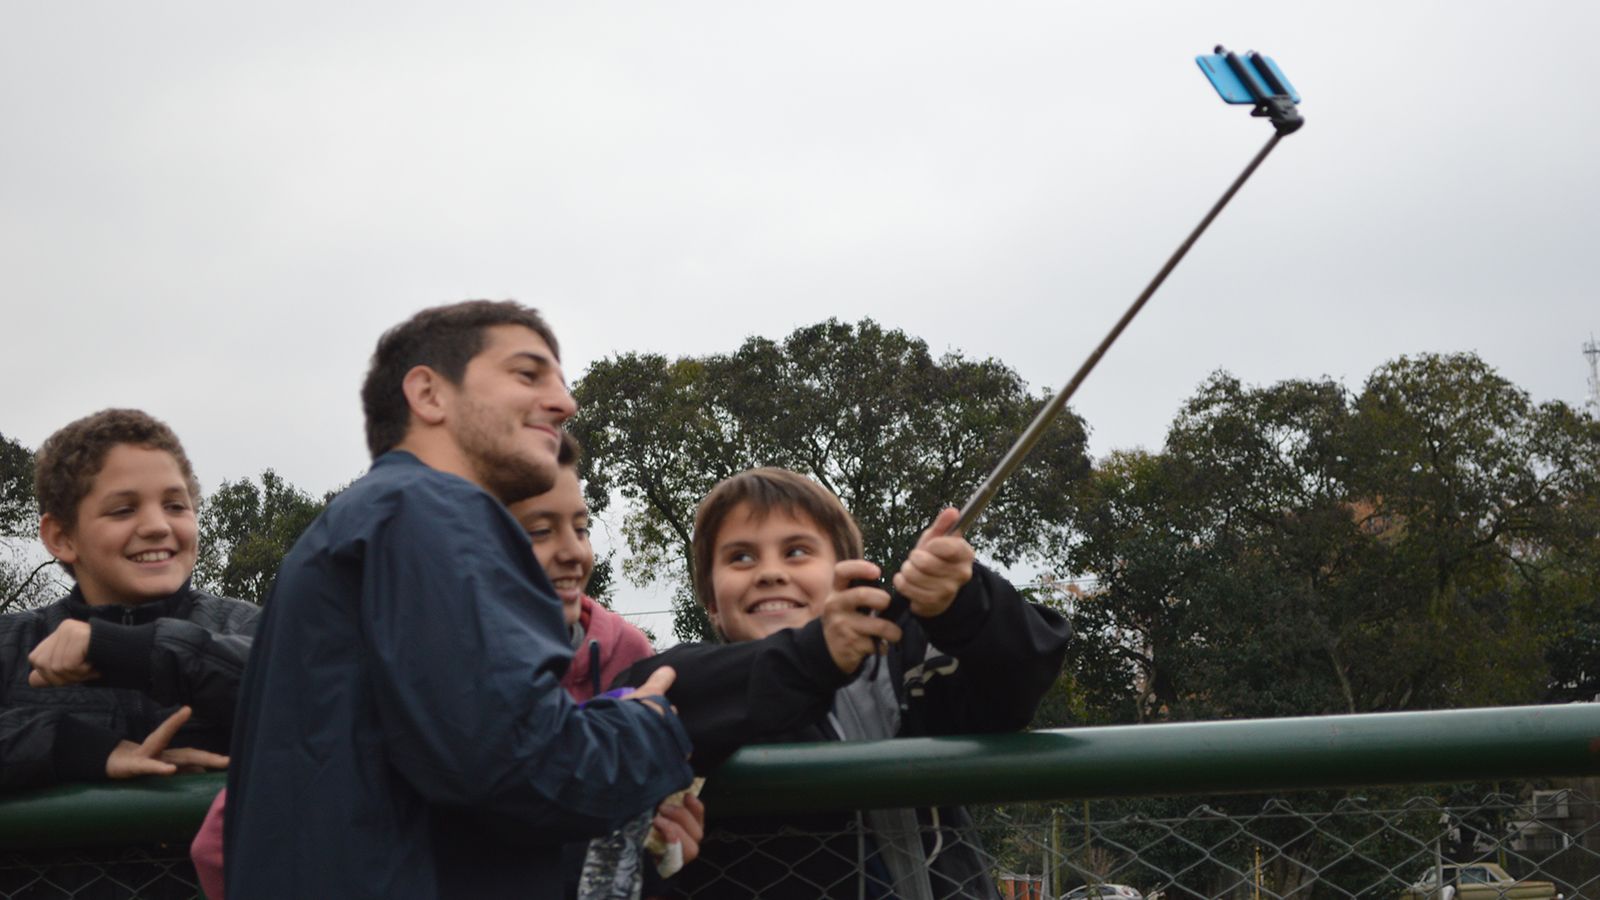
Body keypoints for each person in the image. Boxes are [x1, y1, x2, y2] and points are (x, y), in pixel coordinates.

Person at [224, 300, 694, 899]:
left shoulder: (362, 524)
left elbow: (447, 762)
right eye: (528, 374)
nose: (564, 402)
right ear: (429, 394)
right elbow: (521, 767)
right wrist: (649, 726)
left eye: (561, 381)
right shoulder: (435, 509)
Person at [620, 467, 1071, 899]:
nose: (770, 572)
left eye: (797, 551)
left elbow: (1020, 678)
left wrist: (965, 603)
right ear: (711, 602)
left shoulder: (903, 663)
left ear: (848, 575)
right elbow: (631, 708)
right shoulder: (682, 681)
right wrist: (813, 655)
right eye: (741, 557)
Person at [0, 408, 251, 792]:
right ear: (62, 537)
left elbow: (314, 691)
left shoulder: (253, 629)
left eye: (175, 506)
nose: (157, 525)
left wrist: (132, 650)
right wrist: (80, 748)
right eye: (123, 510)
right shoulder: (12, 645)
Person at [510, 432, 655, 704]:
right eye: (541, 531)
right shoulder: (450, 659)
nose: (575, 552)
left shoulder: (630, 652)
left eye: (580, 529)